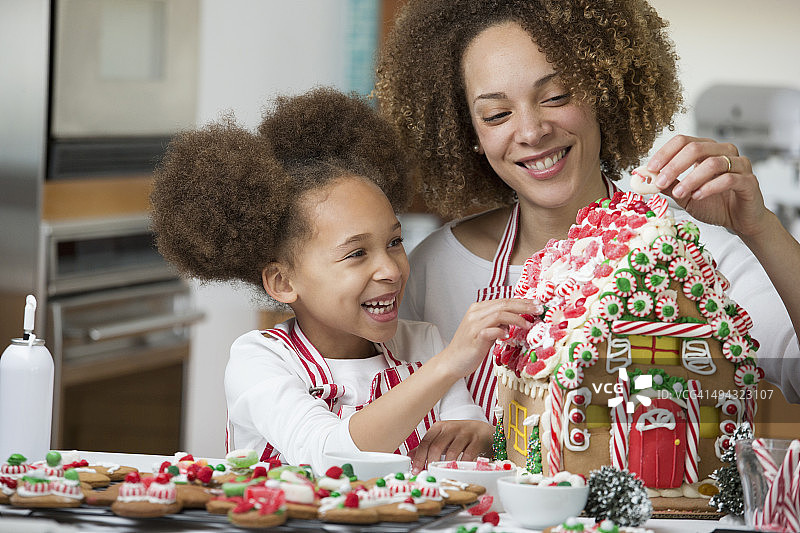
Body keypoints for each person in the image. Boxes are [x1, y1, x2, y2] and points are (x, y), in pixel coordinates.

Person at [375, 0, 800, 429]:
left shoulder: (692, 250)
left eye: (556, 96)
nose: (531, 131)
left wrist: (760, 228)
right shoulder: (433, 267)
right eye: (497, 114)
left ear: (604, 93)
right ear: (471, 134)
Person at [150, 88, 539, 474]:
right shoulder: (261, 360)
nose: (390, 269)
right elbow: (329, 454)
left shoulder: (423, 343)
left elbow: (467, 447)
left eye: (394, 242)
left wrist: (484, 435)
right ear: (283, 282)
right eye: (356, 253)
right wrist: (448, 365)